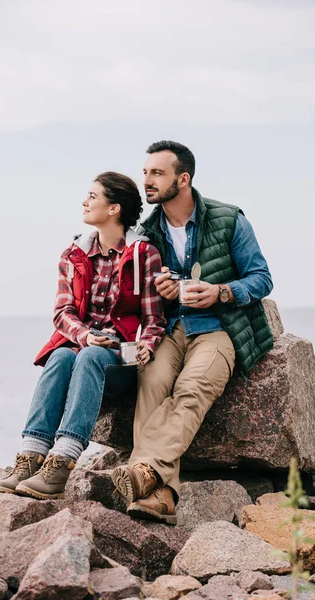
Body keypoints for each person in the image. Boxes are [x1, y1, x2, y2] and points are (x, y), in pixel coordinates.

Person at [111, 141, 273, 525]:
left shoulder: (229, 218)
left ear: (183, 179)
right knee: (150, 384)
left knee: (192, 388)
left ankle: (145, 473)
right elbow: (140, 295)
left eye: (157, 173)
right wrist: (162, 290)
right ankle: (162, 496)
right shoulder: (147, 232)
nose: (147, 180)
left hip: (219, 328)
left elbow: (262, 278)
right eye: (146, 171)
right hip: (171, 327)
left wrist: (221, 291)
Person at [0, 171, 166, 500]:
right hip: (82, 346)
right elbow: (62, 313)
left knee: (89, 356)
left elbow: (154, 319)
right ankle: (30, 458)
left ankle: (61, 463)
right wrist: (85, 335)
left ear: (114, 209)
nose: (84, 202)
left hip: (120, 358)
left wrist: (147, 345)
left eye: (92, 196)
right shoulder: (74, 255)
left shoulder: (144, 255)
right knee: (59, 355)